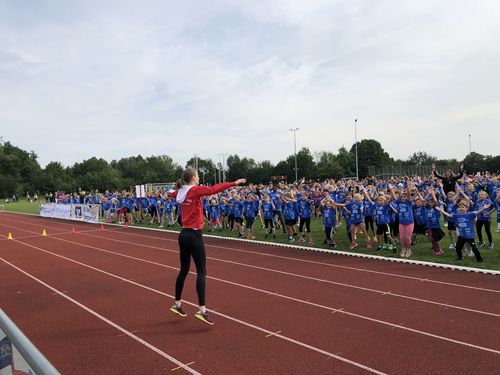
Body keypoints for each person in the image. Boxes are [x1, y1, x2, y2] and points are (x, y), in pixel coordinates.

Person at [168, 167, 246, 325]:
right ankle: (202, 310)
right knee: (201, 272)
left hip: (183, 235)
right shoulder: (194, 190)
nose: (198, 178)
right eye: (197, 175)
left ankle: (177, 304)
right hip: (194, 235)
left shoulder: (181, 192)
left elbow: (171, 193)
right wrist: (234, 183)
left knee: (183, 270)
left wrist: (174, 189)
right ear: (193, 177)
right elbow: (214, 189)